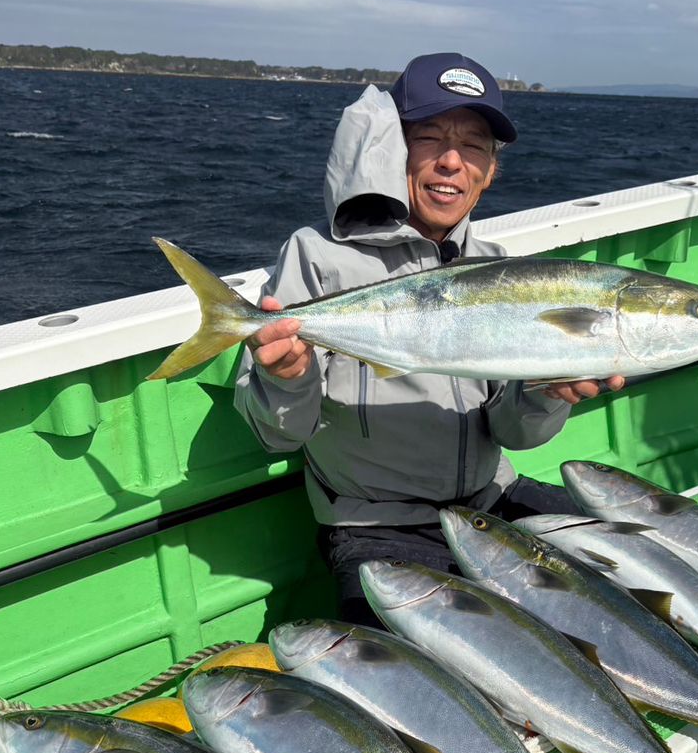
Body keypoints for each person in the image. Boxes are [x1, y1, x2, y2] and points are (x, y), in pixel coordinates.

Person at [233, 52, 624, 625]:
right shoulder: (318, 258)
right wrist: (285, 378)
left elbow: (513, 434)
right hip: (378, 529)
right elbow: (279, 437)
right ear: (392, 150)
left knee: (633, 584)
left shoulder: (497, 269)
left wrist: (545, 395)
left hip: (492, 508)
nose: (450, 162)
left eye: (474, 147)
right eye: (430, 138)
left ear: (490, 171)